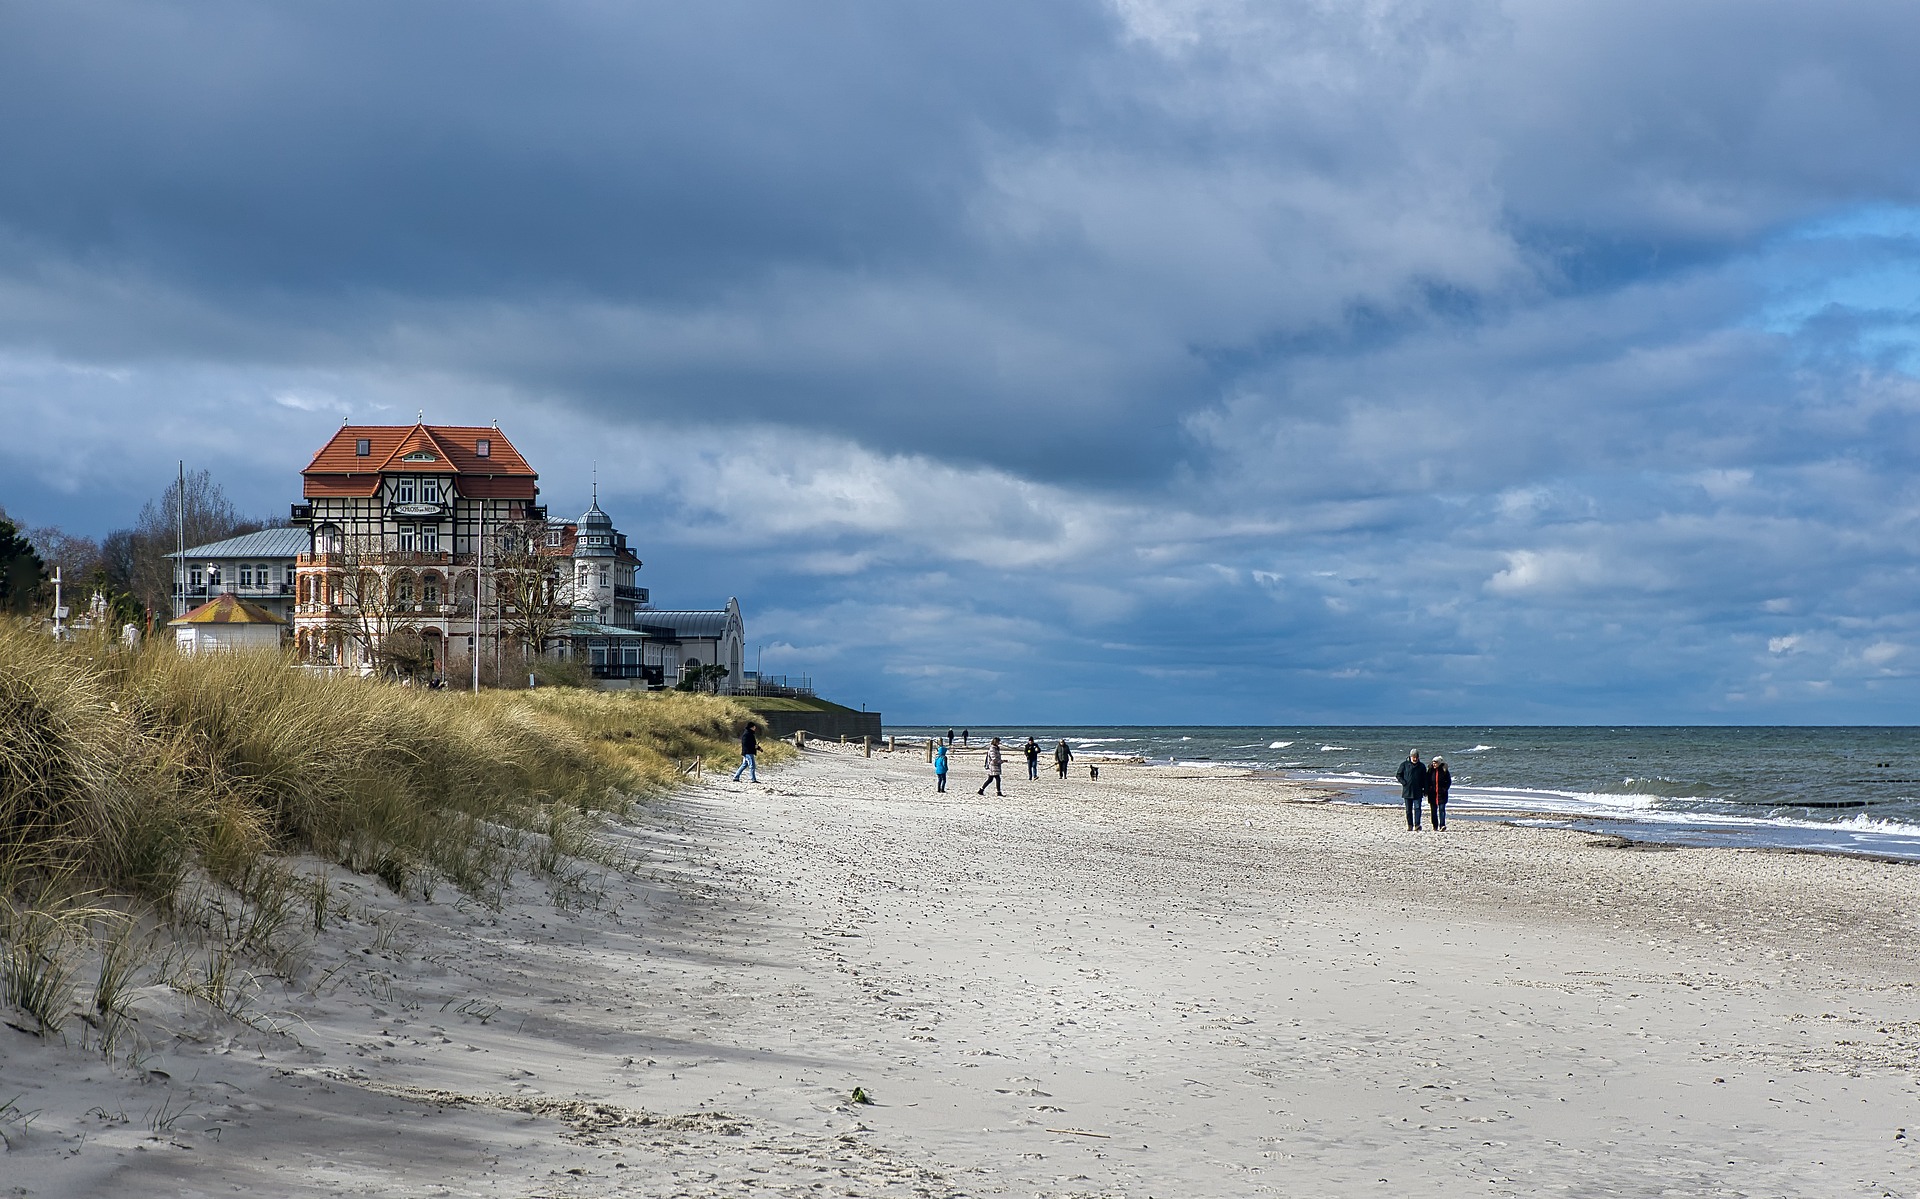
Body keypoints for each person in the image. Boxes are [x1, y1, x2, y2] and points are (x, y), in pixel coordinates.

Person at [1395, 749, 1428, 831]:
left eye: (1416, 757)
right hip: (1407, 791)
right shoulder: (1404, 765)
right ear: (1410, 757)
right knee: (1408, 810)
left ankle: (1417, 825)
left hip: (1418, 791)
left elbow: (1425, 779)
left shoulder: (1422, 766)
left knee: (1418, 809)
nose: (1415, 759)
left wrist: (1425, 790)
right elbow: (1398, 775)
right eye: (1413, 757)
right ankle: (1410, 825)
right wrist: (1404, 783)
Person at [1429, 756, 1451, 831]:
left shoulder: (1444, 770)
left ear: (1439, 763)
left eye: (1436, 763)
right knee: (1433, 811)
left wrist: (1445, 789)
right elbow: (1427, 781)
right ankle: (1435, 825)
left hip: (1442, 794)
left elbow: (1448, 781)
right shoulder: (1430, 770)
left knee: (1442, 810)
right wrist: (1428, 789)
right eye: (1433, 763)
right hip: (1432, 794)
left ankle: (1442, 825)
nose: (1434, 764)